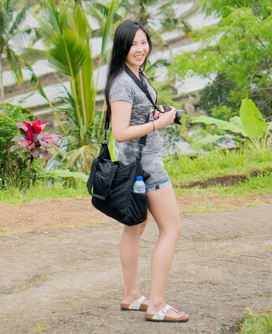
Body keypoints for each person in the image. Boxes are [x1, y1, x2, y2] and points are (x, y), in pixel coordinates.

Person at [104, 19, 188, 323]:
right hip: (147, 167)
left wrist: (156, 112)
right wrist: (158, 123)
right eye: (133, 44)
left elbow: (135, 115)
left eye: (144, 42)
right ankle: (156, 304)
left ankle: (131, 296)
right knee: (172, 229)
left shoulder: (134, 74)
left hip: (135, 165)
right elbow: (121, 132)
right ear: (122, 48)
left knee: (135, 228)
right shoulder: (123, 84)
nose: (140, 49)